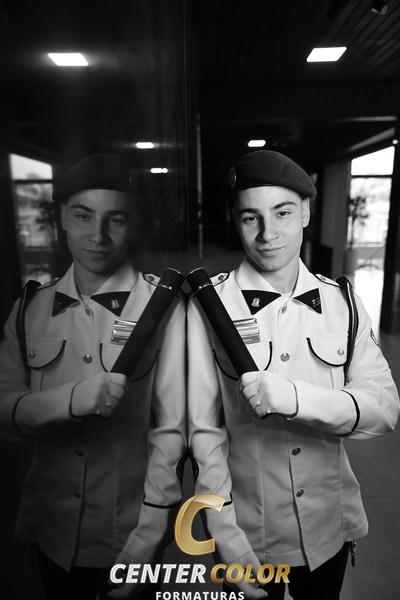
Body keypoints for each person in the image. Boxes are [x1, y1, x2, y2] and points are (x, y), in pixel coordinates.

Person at [187, 150, 399, 600]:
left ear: (305, 212)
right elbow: (202, 436)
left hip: (328, 529)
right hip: (247, 535)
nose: (268, 234)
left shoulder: (342, 302)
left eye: (282, 212)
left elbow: (383, 409)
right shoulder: (207, 308)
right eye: (251, 217)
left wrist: (296, 398)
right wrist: (223, 534)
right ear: (236, 221)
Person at [0, 153, 186, 600]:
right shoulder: (29, 310)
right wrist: (71, 400)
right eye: (83, 216)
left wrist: (151, 532)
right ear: (63, 217)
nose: (97, 236)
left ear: (132, 224)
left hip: (131, 533)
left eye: (115, 220)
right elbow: (4, 413)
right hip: (53, 532)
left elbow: (173, 431)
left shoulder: (164, 309)